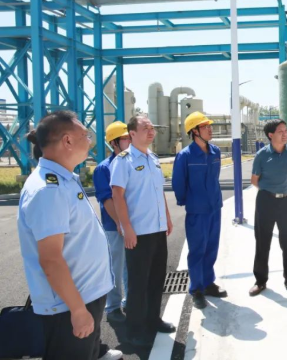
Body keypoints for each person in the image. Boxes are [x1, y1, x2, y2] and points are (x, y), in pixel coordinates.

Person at [17, 110, 121, 360]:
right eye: (85, 135)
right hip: (68, 305)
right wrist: (78, 311)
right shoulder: (48, 190)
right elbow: (51, 259)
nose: (90, 140)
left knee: (88, 350)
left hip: (84, 294)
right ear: (67, 141)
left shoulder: (64, 179)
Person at [110, 115, 174, 348]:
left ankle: (153, 320)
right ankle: (135, 330)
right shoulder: (123, 161)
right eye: (145, 128)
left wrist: (167, 217)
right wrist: (126, 228)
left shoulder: (153, 159)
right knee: (138, 284)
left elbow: (159, 192)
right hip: (138, 233)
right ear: (132, 134)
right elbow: (117, 195)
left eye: (151, 127)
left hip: (157, 230)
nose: (151, 131)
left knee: (157, 279)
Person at [172, 112, 226, 310]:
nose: (210, 129)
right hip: (197, 210)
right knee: (197, 250)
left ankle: (208, 283)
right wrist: (187, 200)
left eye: (209, 126)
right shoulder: (185, 155)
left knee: (212, 247)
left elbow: (215, 178)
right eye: (205, 126)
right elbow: (178, 182)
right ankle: (196, 289)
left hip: (215, 207)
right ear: (194, 131)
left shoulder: (215, 151)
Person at [249, 119, 287, 297]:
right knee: (262, 242)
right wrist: (271, 191)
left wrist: (283, 189)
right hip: (266, 201)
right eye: (281, 131)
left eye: (286, 131)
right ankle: (260, 281)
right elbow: (254, 180)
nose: (285, 134)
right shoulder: (262, 155)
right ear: (270, 135)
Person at [93, 121, 130, 324]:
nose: (129, 141)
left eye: (129, 137)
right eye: (125, 138)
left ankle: (130, 301)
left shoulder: (130, 162)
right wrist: (120, 222)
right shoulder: (103, 168)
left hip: (131, 224)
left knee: (130, 266)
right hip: (114, 226)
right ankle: (113, 306)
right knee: (115, 266)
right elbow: (107, 199)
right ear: (114, 143)